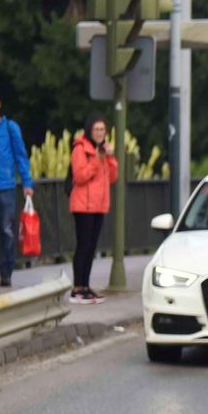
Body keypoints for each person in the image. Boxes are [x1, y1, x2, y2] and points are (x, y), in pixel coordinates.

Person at [68, 115, 119, 304]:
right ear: (90, 131)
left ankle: (86, 285)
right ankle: (77, 287)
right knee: (83, 245)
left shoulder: (104, 150)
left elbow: (112, 177)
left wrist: (110, 157)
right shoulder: (80, 149)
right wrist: (97, 160)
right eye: (96, 130)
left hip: (99, 205)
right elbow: (80, 176)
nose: (99, 133)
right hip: (83, 205)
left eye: (102, 130)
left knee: (91, 247)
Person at [0, 89, 34, 287]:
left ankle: (6, 273)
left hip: (5, 187)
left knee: (6, 231)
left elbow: (20, 156)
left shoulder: (9, 128)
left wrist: (27, 183)